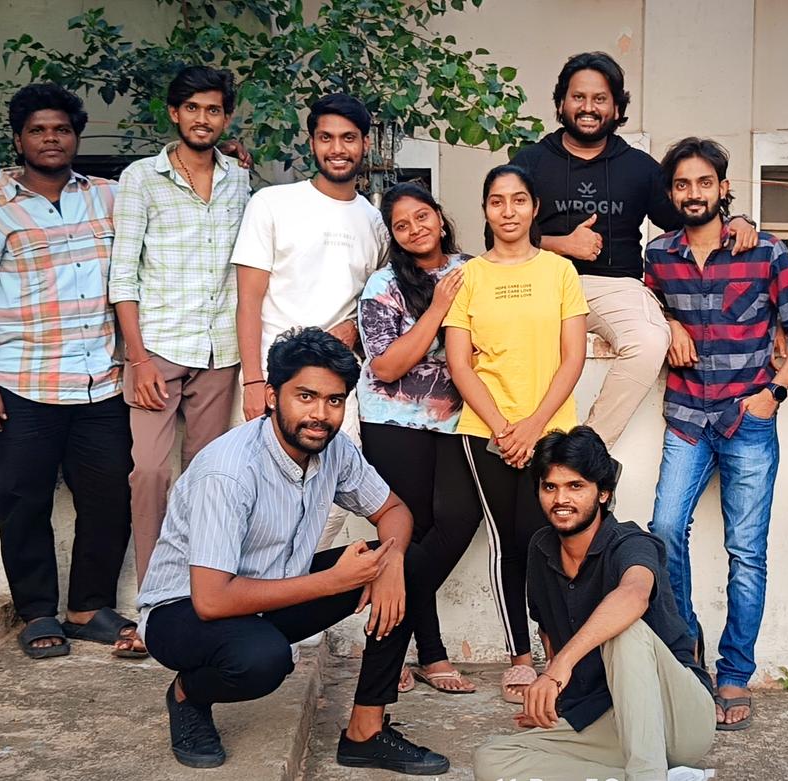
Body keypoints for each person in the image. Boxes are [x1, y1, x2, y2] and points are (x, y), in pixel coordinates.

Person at [137, 327, 450, 774]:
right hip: (184, 610)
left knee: (409, 561)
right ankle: (189, 693)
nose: (320, 414)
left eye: (334, 400)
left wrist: (393, 561)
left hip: (275, 590)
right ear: (271, 396)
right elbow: (211, 599)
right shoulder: (228, 473)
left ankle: (366, 732)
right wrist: (334, 581)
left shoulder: (334, 448)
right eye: (305, 397)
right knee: (262, 661)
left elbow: (393, 509)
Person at [0, 83, 143, 659]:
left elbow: (170, 192)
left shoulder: (108, 197)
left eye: (60, 129)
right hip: (19, 384)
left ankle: (87, 606)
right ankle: (36, 612)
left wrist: (226, 161)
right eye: (38, 130)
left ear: (75, 136)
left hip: (100, 385)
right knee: (22, 501)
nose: (51, 138)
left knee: (109, 499)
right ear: (19, 138)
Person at [644, 137, 788, 730]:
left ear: (723, 188)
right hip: (687, 417)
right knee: (666, 531)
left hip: (748, 420)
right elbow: (637, 310)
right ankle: (686, 649)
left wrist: (775, 392)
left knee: (746, 553)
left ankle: (734, 673)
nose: (692, 194)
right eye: (681, 185)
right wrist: (667, 320)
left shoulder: (766, 251)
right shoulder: (658, 256)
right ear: (672, 194)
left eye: (703, 183)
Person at [512, 52, 758, 448]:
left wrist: (739, 222)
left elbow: (690, 220)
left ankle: (587, 447)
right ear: (561, 103)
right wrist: (560, 244)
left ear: (617, 107)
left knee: (648, 342)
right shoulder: (530, 161)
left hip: (614, 287)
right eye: (578, 97)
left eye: (600, 99)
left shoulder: (640, 168)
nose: (589, 108)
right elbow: (496, 239)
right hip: (538, 281)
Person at [473, 426, 715, 781]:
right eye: (550, 487)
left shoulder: (631, 543)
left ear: (603, 493)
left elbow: (632, 595)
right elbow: (549, 635)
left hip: (678, 717)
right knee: (492, 761)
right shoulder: (541, 550)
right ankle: (653, 773)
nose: (561, 499)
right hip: (610, 720)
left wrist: (558, 670)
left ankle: (648, 775)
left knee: (625, 631)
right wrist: (555, 698)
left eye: (576, 486)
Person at [444, 164, 589, 703]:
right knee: (510, 543)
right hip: (485, 432)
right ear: (485, 210)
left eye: (519, 200)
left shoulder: (559, 271)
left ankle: (561, 653)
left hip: (550, 431)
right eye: (497, 201)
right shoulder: (469, 277)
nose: (508, 211)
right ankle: (520, 657)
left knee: (550, 541)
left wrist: (531, 427)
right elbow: (461, 364)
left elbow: (572, 356)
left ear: (534, 208)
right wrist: (505, 429)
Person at [108, 65, 251, 586]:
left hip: (221, 352)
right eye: (191, 108)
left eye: (213, 109)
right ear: (174, 113)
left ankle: (194, 589)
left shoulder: (239, 179)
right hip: (159, 348)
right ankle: (153, 594)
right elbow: (122, 275)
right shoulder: (141, 178)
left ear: (226, 117)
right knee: (149, 472)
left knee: (205, 476)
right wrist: (138, 358)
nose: (202, 118)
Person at [231, 93, 388, 550]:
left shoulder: (375, 221)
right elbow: (247, 300)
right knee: (258, 500)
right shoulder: (273, 204)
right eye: (326, 138)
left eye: (348, 138)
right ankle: (255, 610)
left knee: (333, 505)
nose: (337, 148)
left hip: (340, 387)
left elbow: (376, 302)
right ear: (312, 143)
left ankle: (303, 616)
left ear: (364, 144)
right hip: (273, 380)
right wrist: (253, 381)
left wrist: (354, 328)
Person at [357, 182, 482, 695]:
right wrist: (436, 307)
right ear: (393, 235)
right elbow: (385, 365)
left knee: (455, 521)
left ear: (439, 214)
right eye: (402, 225)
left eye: (422, 216)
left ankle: (390, 636)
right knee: (408, 531)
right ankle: (428, 654)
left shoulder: (475, 269)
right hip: (393, 421)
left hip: (459, 420)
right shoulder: (384, 285)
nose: (415, 229)